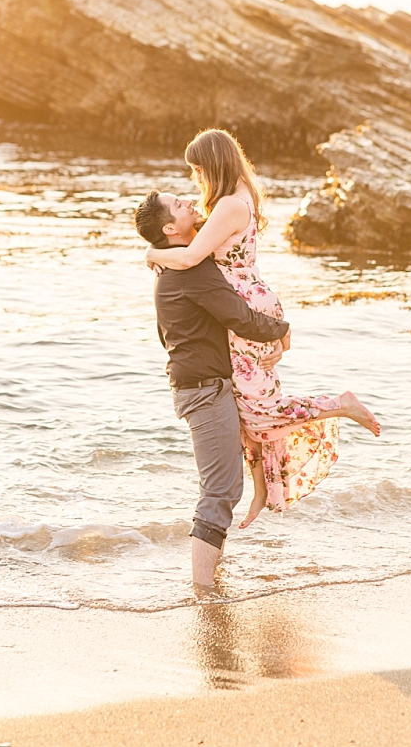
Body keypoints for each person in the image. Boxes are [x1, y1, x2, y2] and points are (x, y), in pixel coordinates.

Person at [145, 129, 380, 529]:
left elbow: (190, 257)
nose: (195, 180)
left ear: (214, 164)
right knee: (246, 410)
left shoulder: (228, 206)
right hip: (245, 302)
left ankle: (339, 404)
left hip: (243, 309)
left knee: (262, 410)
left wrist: (152, 251)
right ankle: (261, 489)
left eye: (198, 170)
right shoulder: (236, 199)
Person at [134, 189, 293, 587]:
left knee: (224, 488)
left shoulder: (178, 268)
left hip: (203, 386)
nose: (190, 202)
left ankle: (211, 577)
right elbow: (241, 318)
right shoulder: (192, 271)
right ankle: (202, 589)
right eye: (179, 205)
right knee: (220, 492)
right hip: (204, 390)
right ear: (170, 228)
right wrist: (284, 330)